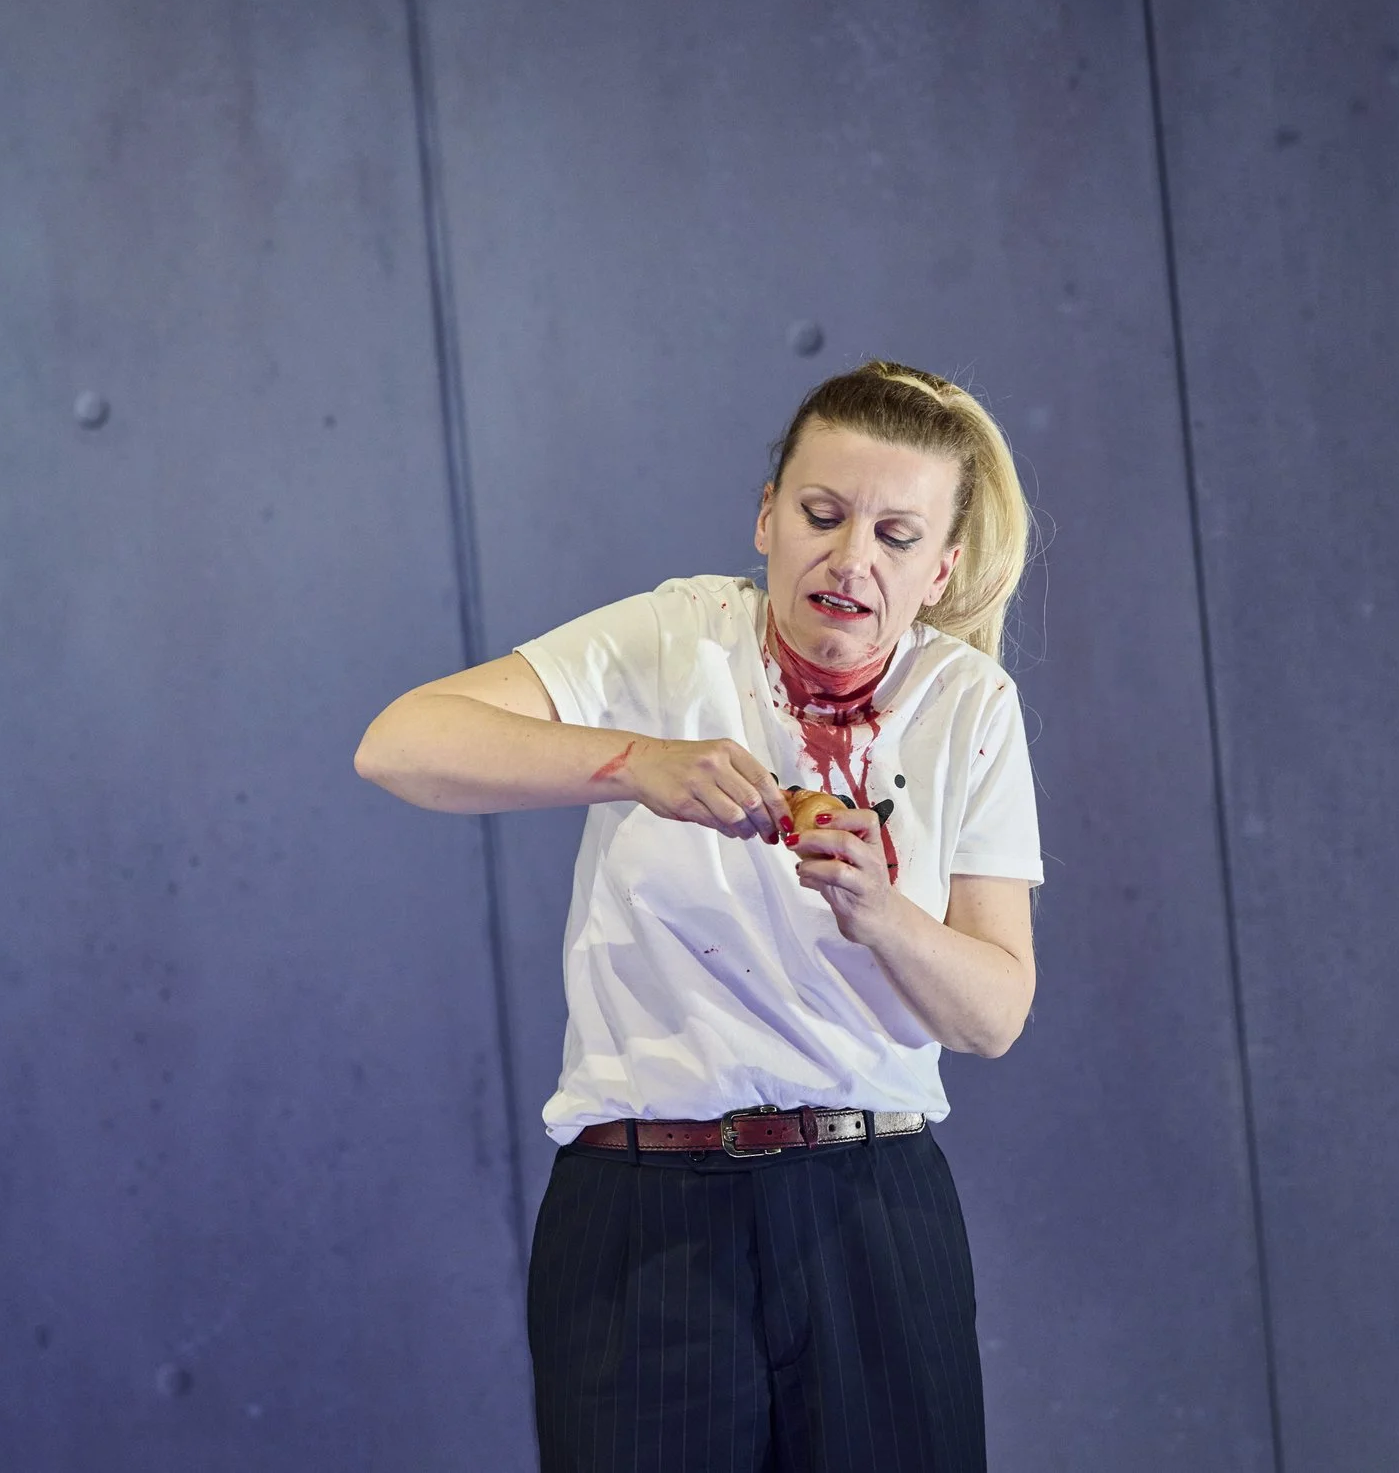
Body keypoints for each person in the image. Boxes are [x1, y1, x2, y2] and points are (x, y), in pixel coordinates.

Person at [355, 359, 1043, 1473]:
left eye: (895, 536)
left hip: (871, 1201)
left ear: (940, 569)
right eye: (821, 513)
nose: (851, 557)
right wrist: (636, 761)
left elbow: (996, 1012)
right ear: (766, 517)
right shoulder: (677, 636)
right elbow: (398, 744)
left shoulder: (968, 704)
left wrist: (882, 913)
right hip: (644, 1206)